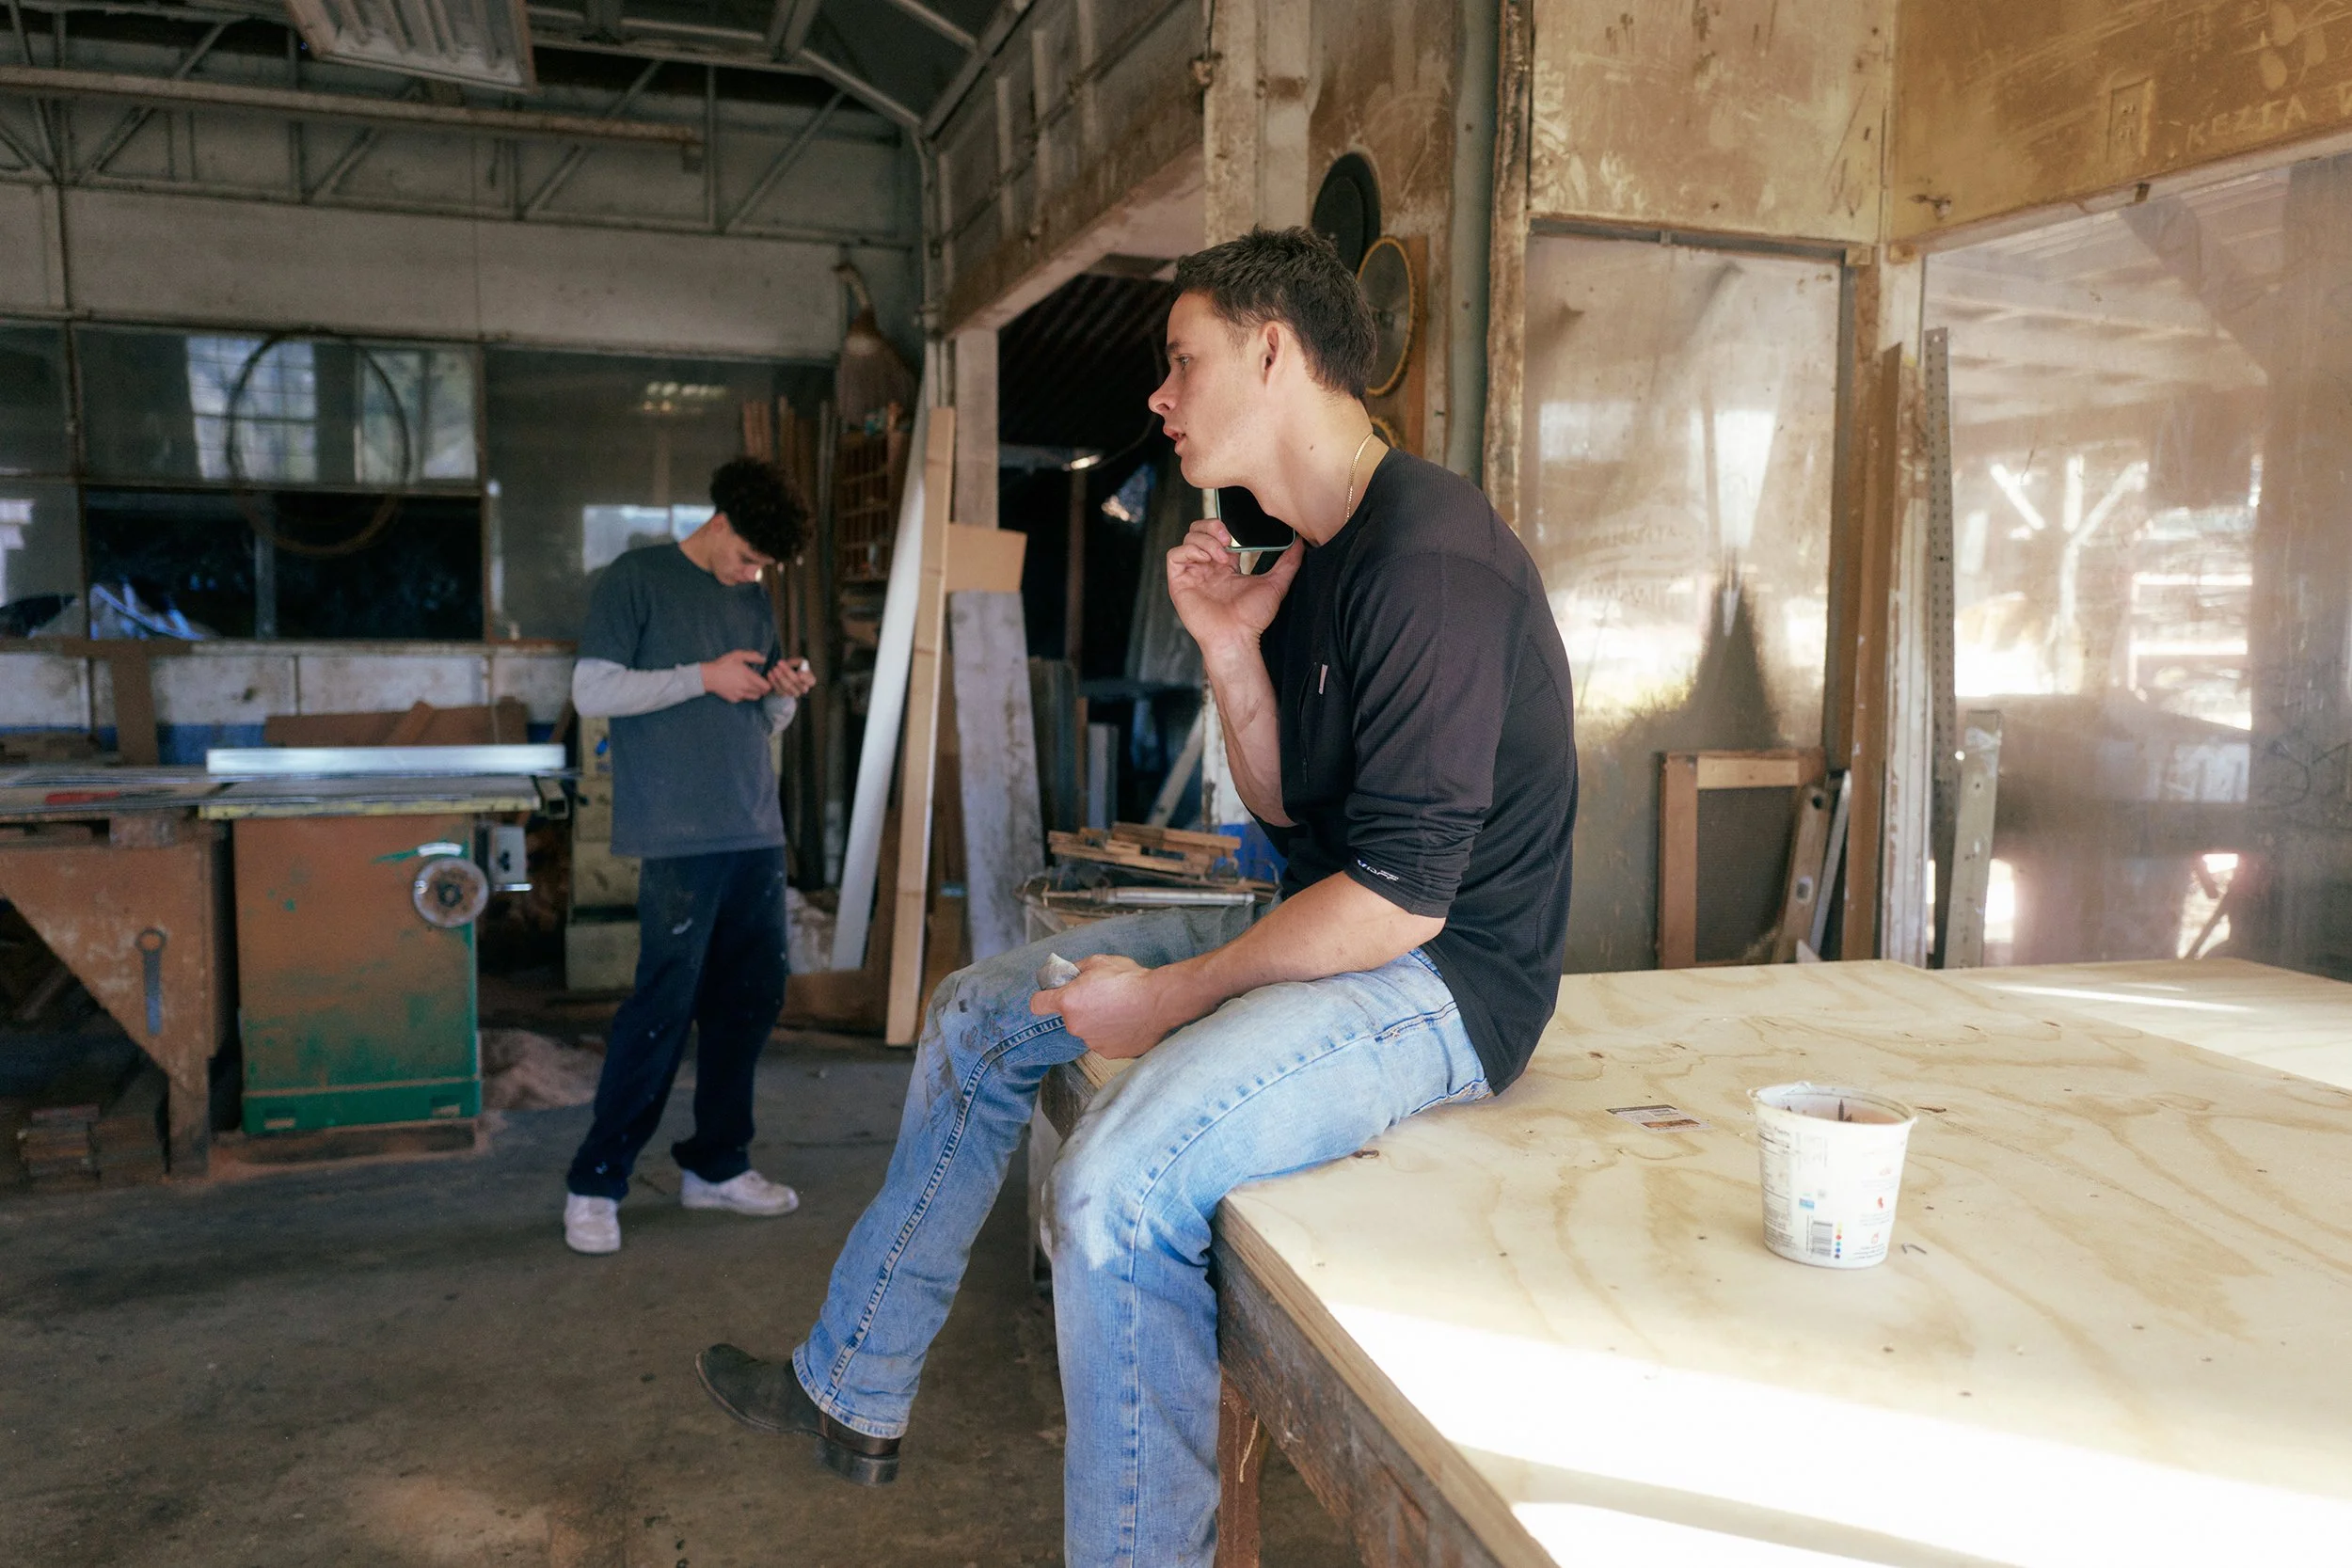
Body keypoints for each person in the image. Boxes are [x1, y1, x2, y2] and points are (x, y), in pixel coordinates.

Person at [695, 228, 1579, 1564]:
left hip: (1442, 979)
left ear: (1272, 352)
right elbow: (1288, 811)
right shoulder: (1317, 546)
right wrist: (1229, 645)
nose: (1159, 397)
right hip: (1339, 921)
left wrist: (1163, 999)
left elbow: (1398, 904)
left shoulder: (1430, 558)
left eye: (1182, 360)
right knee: (977, 1012)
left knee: (1114, 1190)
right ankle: (851, 1380)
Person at [561, 457, 820, 1257]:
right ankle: (595, 1182)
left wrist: (782, 693)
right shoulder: (635, 579)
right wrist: (702, 676)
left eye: (763, 567)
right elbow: (592, 690)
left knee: (750, 1001)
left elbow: (758, 720)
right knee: (662, 1008)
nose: (751, 575)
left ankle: (717, 1164)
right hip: (679, 831)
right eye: (746, 557)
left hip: (754, 826)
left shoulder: (752, 593)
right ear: (718, 523)